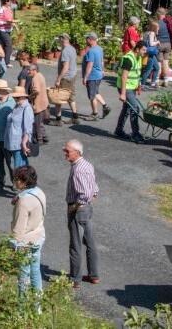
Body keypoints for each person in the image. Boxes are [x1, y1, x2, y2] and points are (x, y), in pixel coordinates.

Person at [64, 139, 99, 288]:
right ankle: (94, 275)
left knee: (76, 245)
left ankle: (75, 278)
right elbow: (94, 189)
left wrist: (75, 207)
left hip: (79, 209)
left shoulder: (78, 169)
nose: (65, 153)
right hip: (88, 208)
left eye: (67, 151)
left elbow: (83, 193)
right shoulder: (87, 165)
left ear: (77, 152)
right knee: (90, 242)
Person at [10, 165, 46, 295]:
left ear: (23, 181)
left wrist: (13, 245)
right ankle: (37, 305)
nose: (14, 182)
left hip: (25, 242)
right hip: (39, 235)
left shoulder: (23, 201)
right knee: (35, 271)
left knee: (23, 275)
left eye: (16, 179)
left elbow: (19, 228)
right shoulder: (39, 192)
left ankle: (22, 308)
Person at [114, 41, 147, 143]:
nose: (145, 52)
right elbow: (124, 77)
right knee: (135, 108)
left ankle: (119, 130)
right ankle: (135, 134)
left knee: (127, 109)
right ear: (137, 49)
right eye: (143, 50)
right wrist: (123, 94)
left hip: (132, 87)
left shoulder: (139, 57)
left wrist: (139, 85)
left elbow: (137, 72)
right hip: (125, 87)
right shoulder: (128, 58)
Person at [82, 32, 110, 120]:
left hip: (92, 76)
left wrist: (85, 77)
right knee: (96, 92)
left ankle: (95, 114)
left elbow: (90, 65)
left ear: (91, 40)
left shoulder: (91, 51)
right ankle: (105, 107)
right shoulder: (99, 49)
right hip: (98, 75)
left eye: (87, 38)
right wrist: (102, 70)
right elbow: (102, 61)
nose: (86, 40)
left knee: (92, 96)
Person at [5, 86, 34, 170]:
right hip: (13, 143)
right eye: (14, 97)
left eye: (17, 97)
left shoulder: (27, 108)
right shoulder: (17, 106)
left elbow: (28, 129)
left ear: (23, 96)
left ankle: (22, 183)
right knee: (21, 169)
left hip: (19, 145)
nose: (15, 99)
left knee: (19, 169)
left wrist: (24, 144)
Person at [54, 33, 80, 123]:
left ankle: (58, 120)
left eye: (59, 39)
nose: (58, 41)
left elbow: (66, 67)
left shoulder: (65, 51)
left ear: (62, 39)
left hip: (66, 77)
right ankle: (75, 117)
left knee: (58, 97)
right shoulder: (72, 49)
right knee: (71, 96)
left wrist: (58, 79)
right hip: (72, 75)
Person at [26, 62, 49, 145]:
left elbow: (36, 90)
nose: (28, 72)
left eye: (29, 70)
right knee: (40, 122)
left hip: (38, 104)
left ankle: (40, 140)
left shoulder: (35, 78)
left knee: (37, 123)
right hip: (43, 103)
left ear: (34, 70)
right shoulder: (40, 75)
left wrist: (30, 96)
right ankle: (44, 137)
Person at [156, 7, 172, 83]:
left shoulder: (157, 23)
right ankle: (166, 79)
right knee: (166, 62)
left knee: (158, 62)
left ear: (158, 14)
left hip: (159, 44)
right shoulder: (168, 22)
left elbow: (154, 35)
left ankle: (157, 80)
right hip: (168, 44)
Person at [141, 21, 161, 89]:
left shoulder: (146, 33)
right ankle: (142, 84)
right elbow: (151, 44)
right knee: (148, 69)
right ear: (154, 28)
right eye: (158, 27)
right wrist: (157, 42)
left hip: (148, 53)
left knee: (156, 68)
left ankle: (153, 83)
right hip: (150, 53)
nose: (158, 28)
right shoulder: (152, 33)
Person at [0, 0, 15, 66]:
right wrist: (6, 22)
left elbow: (10, 19)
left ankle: (0, 60)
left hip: (8, 30)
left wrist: (13, 24)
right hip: (2, 30)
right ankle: (7, 62)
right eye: (9, 0)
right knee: (9, 45)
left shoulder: (9, 9)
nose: (10, 2)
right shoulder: (2, 9)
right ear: (6, 2)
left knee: (2, 45)